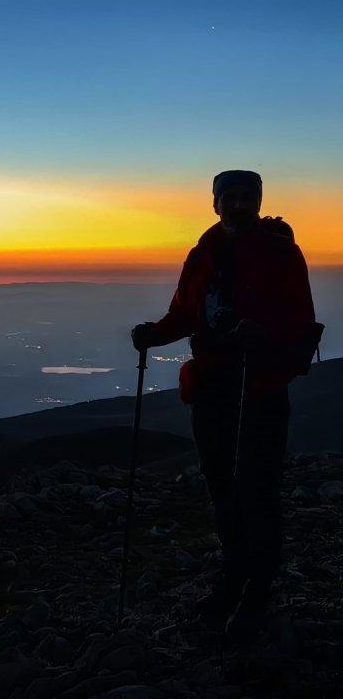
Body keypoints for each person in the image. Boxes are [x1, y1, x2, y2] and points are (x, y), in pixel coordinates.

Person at [131, 170, 322, 646]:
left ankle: (256, 590)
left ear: (258, 201)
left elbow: (299, 322)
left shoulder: (281, 254)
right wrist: (154, 334)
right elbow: (186, 312)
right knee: (222, 488)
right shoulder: (203, 255)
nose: (238, 204)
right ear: (214, 203)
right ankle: (235, 576)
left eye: (247, 197)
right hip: (212, 387)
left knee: (256, 489)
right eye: (229, 197)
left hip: (257, 388)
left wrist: (263, 339)